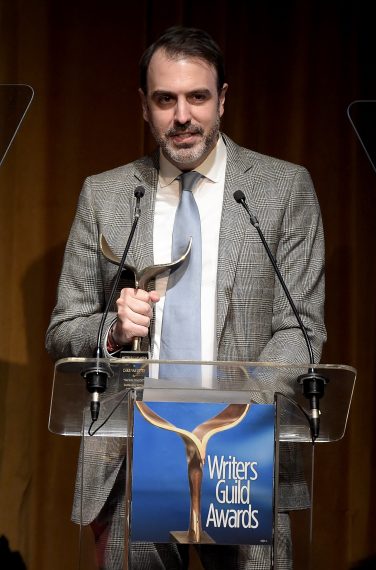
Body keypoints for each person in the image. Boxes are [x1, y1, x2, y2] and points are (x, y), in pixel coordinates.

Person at [46, 26, 326, 570]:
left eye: (197, 97)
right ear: (143, 106)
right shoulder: (106, 194)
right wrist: (112, 327)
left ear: (222, 99)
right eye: (165, 99)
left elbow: (303, 329)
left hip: (246, 451)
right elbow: (63, 328)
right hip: (134, 459)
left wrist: (230, 415)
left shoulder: (282, 189)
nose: (182, 116)